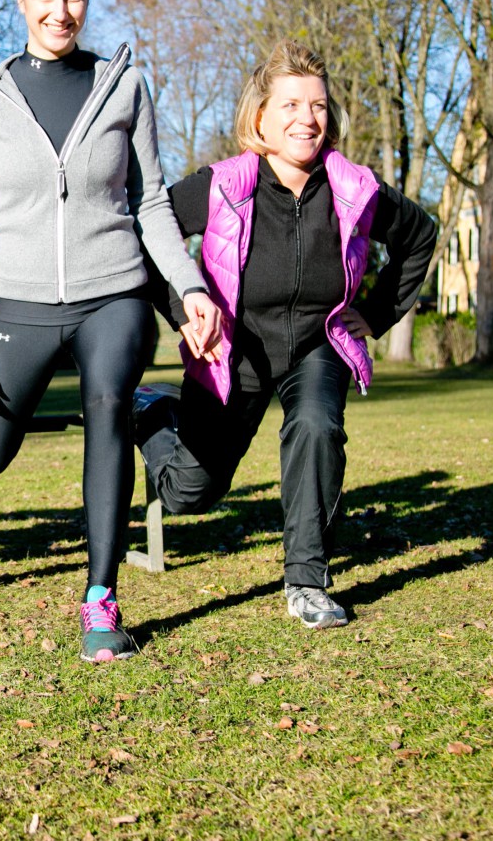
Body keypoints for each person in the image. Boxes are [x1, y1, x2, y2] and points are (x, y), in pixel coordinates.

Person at [0, 0, 221, 664]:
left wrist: (187, 289)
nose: (61, 11)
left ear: (89, 0)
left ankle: (100, 598)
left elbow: (150, 204)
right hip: (18, 303)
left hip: (111, 293)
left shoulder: (123, 86)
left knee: (108, 406)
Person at [133, 39, 437, 628]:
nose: (308, 120)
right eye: (292, 106)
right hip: (235, 349)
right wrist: (185, 311)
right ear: (260, 119)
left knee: (318, 428)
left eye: (319, 106)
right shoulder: (223, 184)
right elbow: (151, 243)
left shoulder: (354, 187)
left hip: (318, 343)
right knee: (189, 494)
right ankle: (148, 414)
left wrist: (374, 316)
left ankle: (306, 579)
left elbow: (419, 235)